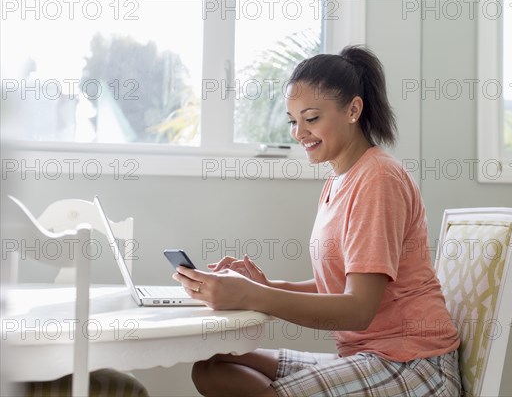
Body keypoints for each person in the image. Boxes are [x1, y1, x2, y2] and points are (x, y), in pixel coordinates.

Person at [172, 45, 461, 397]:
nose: (298, 133)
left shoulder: (378, 179)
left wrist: (257, 296)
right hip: (367, 356)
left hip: (412, 364)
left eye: (311, 119)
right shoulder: (341, 178)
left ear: (354, 110)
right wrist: (265, 287)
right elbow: (341, 284)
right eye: (293, 121)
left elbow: (357, 309)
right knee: (214, 366)